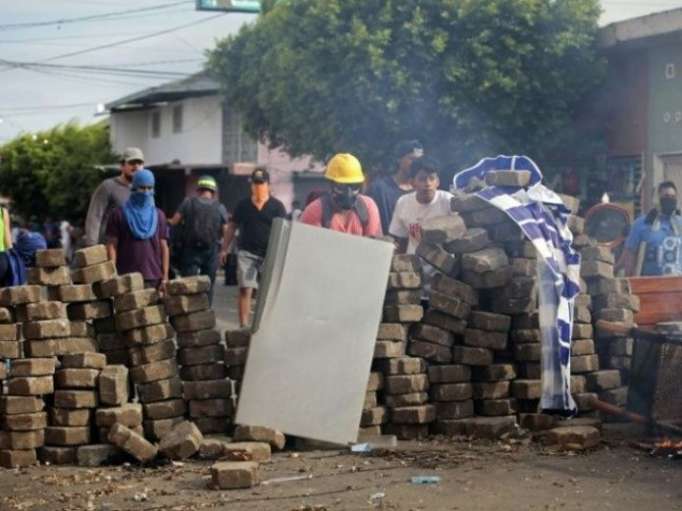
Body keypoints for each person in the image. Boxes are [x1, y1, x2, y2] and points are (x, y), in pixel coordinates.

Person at [219, 168, 287, 327]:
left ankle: (264, 326)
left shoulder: (277, 206)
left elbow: (284, 231)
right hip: (246, 253)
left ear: (268, 185)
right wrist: (224, 249)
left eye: (261, 183)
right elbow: (232, 227)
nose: (258, 187)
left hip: (269, 254)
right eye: (255, 184)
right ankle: (243, 325)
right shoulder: (243, 205)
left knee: (267, 292)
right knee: (245, 288)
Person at [106, 169, 169, 290]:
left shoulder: (159, 215)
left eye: (150, 188)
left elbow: (164, 247)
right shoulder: (118, 214)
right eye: (142, 188)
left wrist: (165, 276)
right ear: (134, 188)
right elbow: (112, 245)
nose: (146, 192)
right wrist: (112, 273)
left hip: (153, 277)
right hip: (125, 278)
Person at [169, 175, 229, 304]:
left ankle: (189, 314)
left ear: (198, 189)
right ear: (213, 191)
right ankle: (206, 312)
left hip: (190, 250)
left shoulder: (188, 202)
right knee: (208, 286)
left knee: (188, 285)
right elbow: (226, 231)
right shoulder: (220, 207)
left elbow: (174, 221)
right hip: (211, 251)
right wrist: (224, 250)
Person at [300, 153, 382, 237]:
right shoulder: (315, 212)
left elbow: (373, 246)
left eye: (354, 186)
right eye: (341, 186)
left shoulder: (367, 207)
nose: (348, 193)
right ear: (331, 184)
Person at [389, 156, 454, 255]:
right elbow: (400, 239)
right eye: (422, 179)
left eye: (432, 178)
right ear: (412, 182)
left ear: (438, 182)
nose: (428, 184)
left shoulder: (448, 201)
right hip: (413, 265)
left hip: (445, 267)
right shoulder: (403, 202)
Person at [85, 147, 144, 246]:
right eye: (132, 163)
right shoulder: (108, 186)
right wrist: (92, 247)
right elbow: (94, 217)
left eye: (140, 163)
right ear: (122, 165)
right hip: (108, 247)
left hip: (132, 249)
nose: (136, 166)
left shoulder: (144, 190)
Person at [621, 181, 682, 276]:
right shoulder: (642, 224)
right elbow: (630, 256)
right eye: (666, 196)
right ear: (656, 199)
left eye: (673, 197)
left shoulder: (679, 223)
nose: (670, 200)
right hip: (650, 285)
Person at [367, 140, 424, 234]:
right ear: (399, 159)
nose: (416, 164)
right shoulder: (379, 189)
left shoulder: (424, 192)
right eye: (412, 159)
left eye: (420, 160)